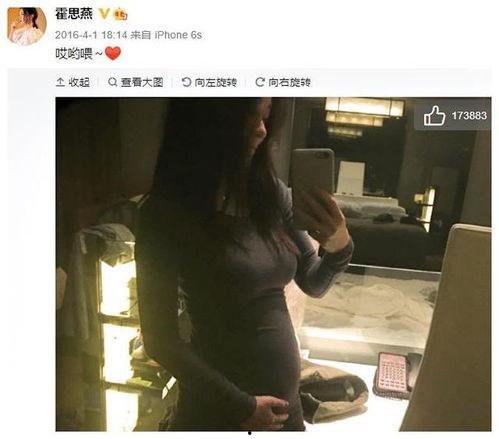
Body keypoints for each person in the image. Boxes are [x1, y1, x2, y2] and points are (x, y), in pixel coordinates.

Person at [135, 98, 354, 431]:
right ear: (206, 121)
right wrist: (242, 407)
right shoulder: (165, 215)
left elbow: (313, 281)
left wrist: (339, 245)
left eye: (266, 116)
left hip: (286, 410)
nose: (261, 130)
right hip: (219, 412)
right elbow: (159, 339)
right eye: (248, 117)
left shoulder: (271, 195)